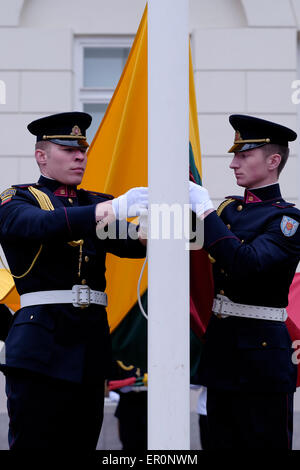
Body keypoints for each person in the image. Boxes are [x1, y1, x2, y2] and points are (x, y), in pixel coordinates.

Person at [0, 111, 147, 450]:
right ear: (42, 156)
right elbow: (38, 225)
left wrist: (176, 218)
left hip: (89, 345)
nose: (80, 155)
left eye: (82, 149)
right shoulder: (18, 199)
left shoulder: (92, 202)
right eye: (68, 149)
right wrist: (110, 209)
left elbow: (134, 242)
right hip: (41, 346)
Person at [189, 114, 300, 449]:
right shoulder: (228, 211)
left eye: (243, 155)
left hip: (262, 361)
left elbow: (246, 264)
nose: (233, 164)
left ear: (273, 160)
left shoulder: (286, 220)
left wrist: (205, 212)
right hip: (222, 352)